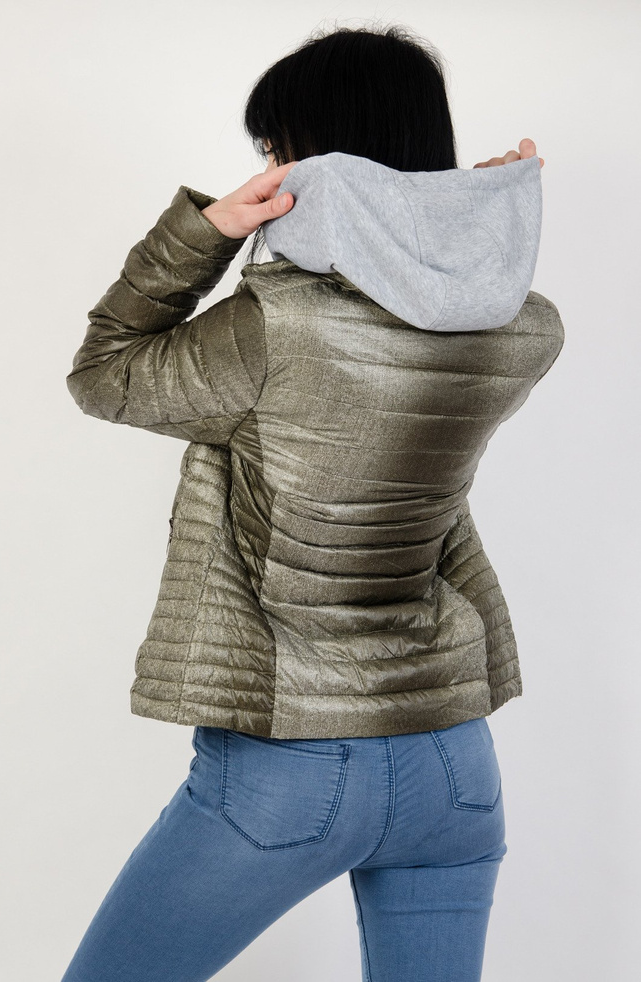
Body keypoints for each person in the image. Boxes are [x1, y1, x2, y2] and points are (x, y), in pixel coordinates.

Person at [61, 23, 563, 982]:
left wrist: (203, 233)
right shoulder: (519, 333)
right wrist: (475, 219)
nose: (267, 171)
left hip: (292, 767)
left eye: (274, 148)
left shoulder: (272, 326)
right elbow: (474, 300)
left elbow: (103, 373)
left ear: (313, 154)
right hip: (455, 765)